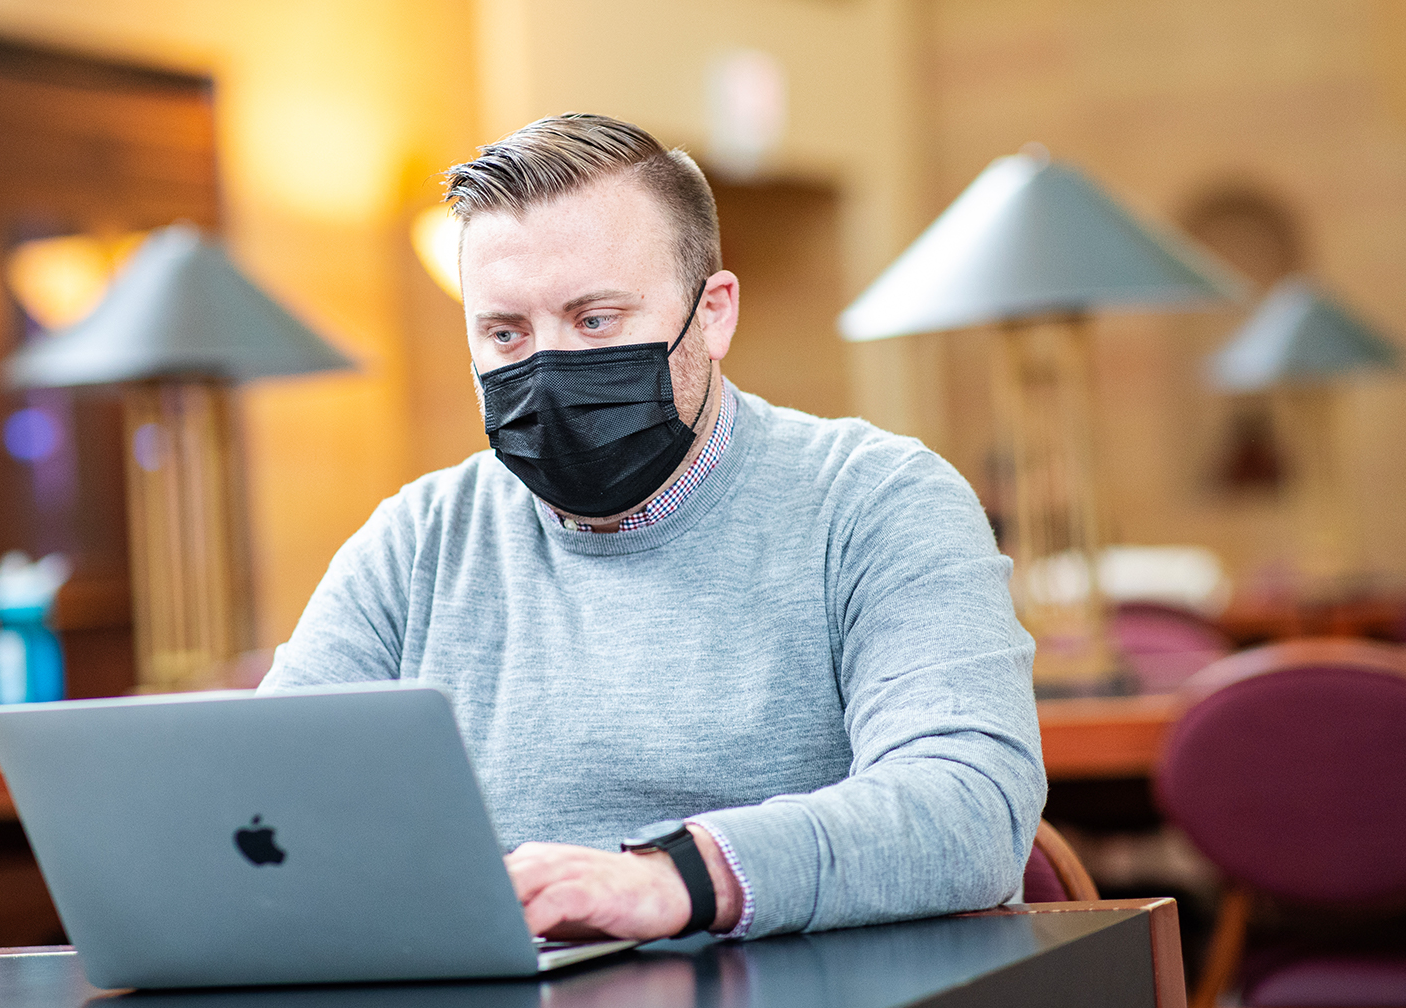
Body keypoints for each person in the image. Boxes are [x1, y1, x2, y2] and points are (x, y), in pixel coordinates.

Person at [259, 114, 1044, 941]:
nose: (548, 366)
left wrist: (676, 881)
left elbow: (970, 807)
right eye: (505, 333)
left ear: (712, 315)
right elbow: (262, 801)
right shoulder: (418, 540)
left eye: (595, 320)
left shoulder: (876, 500)